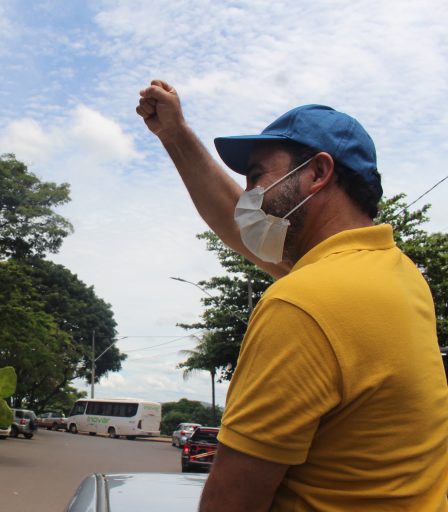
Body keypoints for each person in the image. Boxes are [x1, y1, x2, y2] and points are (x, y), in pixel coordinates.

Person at [137, 80, 448, 511]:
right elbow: (237, 227)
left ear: (318, 173)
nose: (248, 197)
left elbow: (230, 502)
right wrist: (175, 136)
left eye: (256, 177)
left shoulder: (304, 303)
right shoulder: (397, 276)